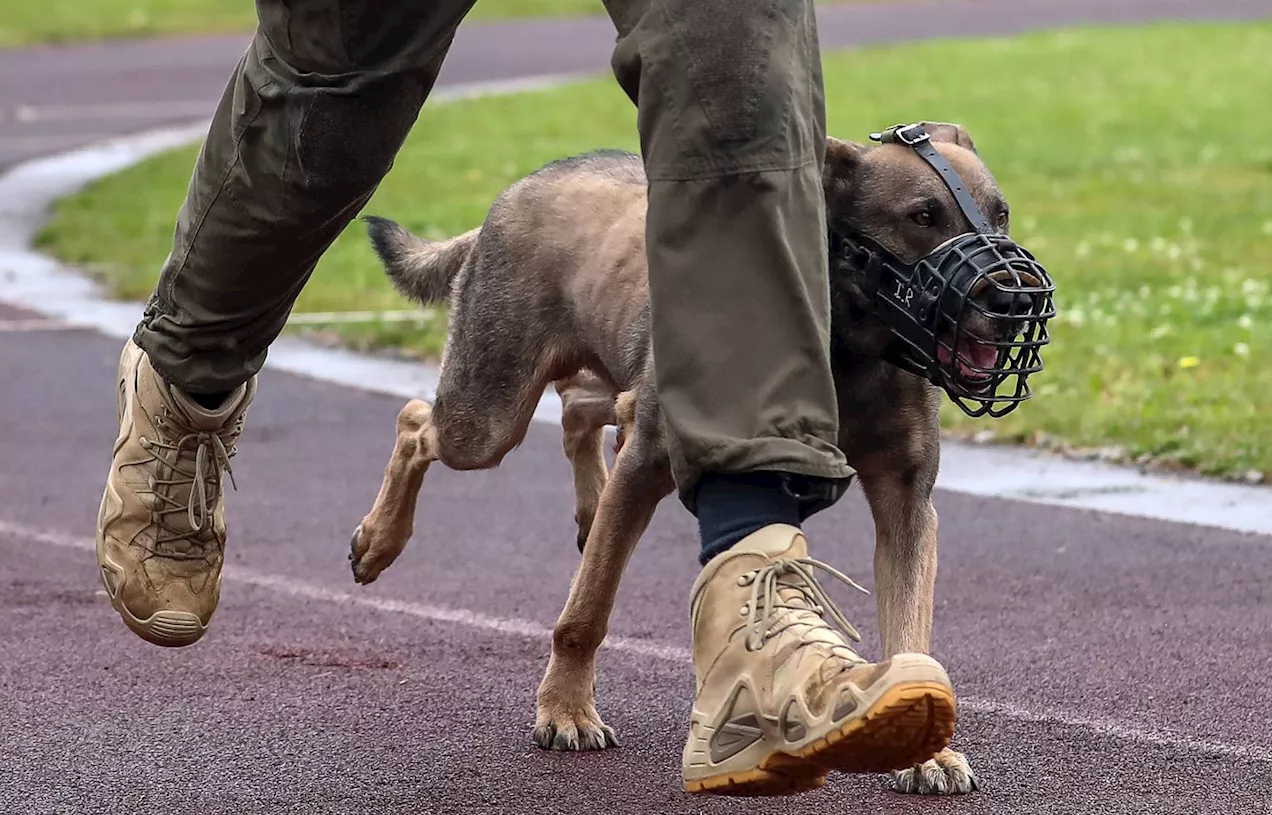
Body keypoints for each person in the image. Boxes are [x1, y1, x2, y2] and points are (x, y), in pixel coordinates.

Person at [95, 0, 956, 795]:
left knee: (740, 66)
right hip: (531, 279)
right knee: (331, 96)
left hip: (659, 336)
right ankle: (190, 371)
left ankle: (752, 611)